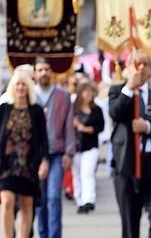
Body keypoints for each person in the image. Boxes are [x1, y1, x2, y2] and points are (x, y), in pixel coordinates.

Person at [109, 50, 151, 238]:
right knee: (130, 221)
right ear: (128, 68)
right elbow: (115, 113)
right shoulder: (117, 91)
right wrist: (129, 88)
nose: (140, 69)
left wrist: (147, 127)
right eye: (136, 64)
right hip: (128, 165)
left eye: (145, 64)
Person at [0, 70, 48, 238]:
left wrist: (44, 160)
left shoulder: (36, 111)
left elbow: (43, 139)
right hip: (6, 165)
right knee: (6, 202)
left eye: (24, 84)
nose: (21, 87)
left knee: (27, 204)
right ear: (13, 87)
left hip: (29, 164)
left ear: (29, 88)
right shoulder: (4, 109)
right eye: (18, 84)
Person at [34, 57, 75, 238]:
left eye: (47, 69)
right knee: (39, 199)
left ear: (52, 72)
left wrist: (69, 152)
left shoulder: (62, 95)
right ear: (35, 73)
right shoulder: (29, 95)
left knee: (53, 197)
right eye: (40, 69)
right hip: (34, 156)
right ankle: (43, 234)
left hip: (57, 152)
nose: (44, 73)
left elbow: (69, 125)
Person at [71, 81, 105, 214]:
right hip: (76, 146)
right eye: (86, 92)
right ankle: (79, 199)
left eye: (91, 92)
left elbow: (100, 127)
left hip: (90, 146)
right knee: (77, 174)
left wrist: (85, 128)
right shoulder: (74, 109)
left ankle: (88, 200)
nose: (89, 94)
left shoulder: (97, 110)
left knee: (87, 173)